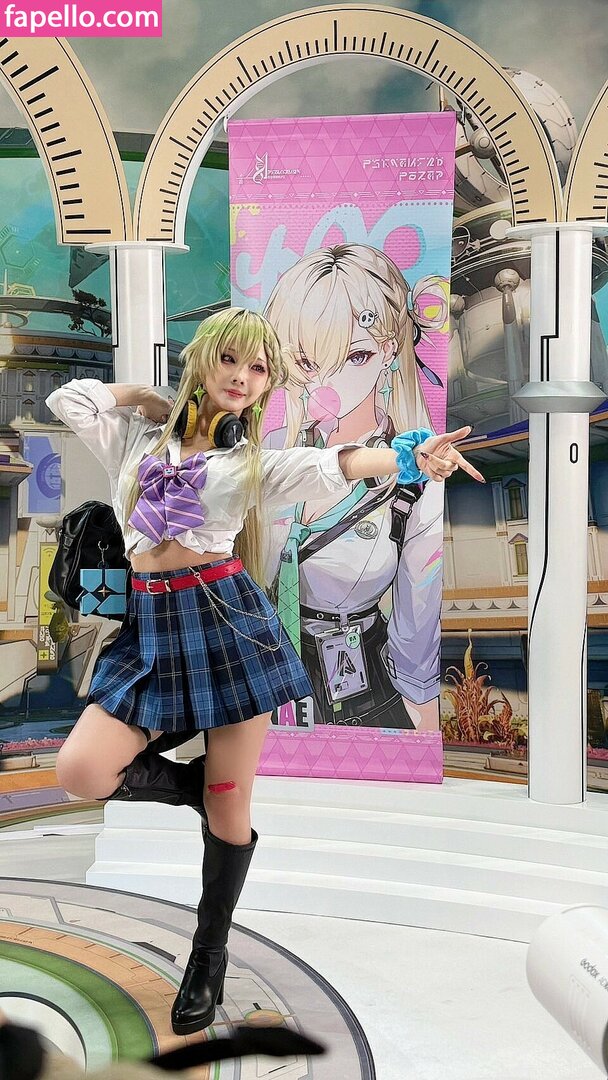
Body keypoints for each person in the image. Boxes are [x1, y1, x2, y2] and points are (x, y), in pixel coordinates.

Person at [45, 306, 482, 1036]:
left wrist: (410, 457)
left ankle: (206, 957)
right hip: (151, 631)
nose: (243, 379)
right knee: (82, 770)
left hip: (227, 628)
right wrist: (145, 398)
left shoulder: (252, 462)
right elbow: (70, 400)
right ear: (203, 360)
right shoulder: (137, 440)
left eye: (258, 370)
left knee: (230, 808)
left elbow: (335, 464)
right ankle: (193, 787)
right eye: (231, 360)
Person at [263, 243, 454, 730]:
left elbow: (417, 629)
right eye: (308, 362)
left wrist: (423, 732)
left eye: (356, 355)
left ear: (388, 350)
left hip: (361, 690)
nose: (330, 383)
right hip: (263, 684)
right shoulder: (267, 454)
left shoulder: (416, 480)